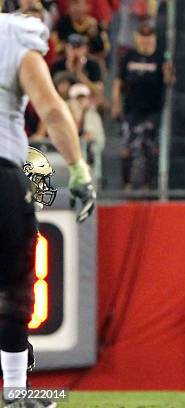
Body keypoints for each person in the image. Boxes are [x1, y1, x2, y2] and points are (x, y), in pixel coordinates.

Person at [0, 9, 95, 407]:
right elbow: (52, 109)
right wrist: (77, 169)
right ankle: (17, 393)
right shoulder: (11, 35)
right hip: (1, 172)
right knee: (13, 288)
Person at [112, 23, 174, 189]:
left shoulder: (160, 57)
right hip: (131, 109)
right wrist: (116, 103)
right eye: (143, 37)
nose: (146, 41)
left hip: (152, 111)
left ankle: (148, 185)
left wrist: (168, 72)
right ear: (137, 39)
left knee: (150, 148)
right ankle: (125, 184)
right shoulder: (128, 57)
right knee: (127, 147)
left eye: (149, 38)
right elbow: (118, 82)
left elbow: (169, 82)